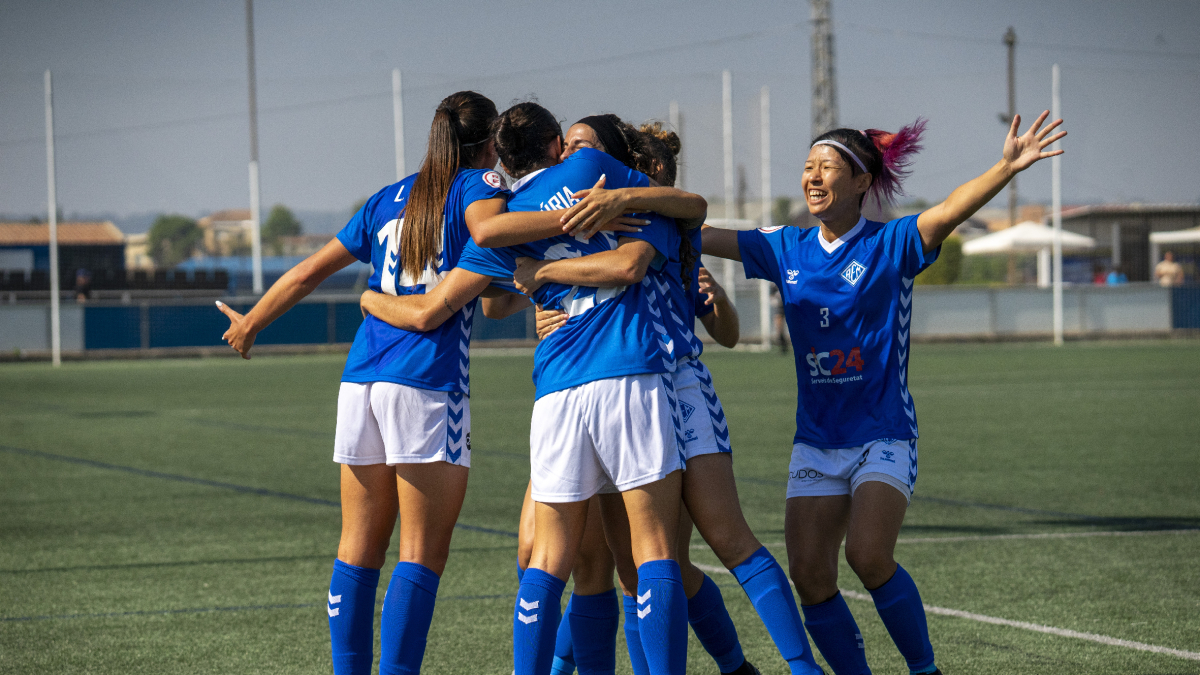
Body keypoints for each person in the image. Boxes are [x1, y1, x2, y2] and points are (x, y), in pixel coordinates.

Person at [702, 111, 1065, 675]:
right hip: (817, 440)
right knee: (810, 576)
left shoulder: (892, 243)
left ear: (861, 182)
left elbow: (949, 209)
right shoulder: (786, 247)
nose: (812, 177)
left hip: (883, 432)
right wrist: (625, 210)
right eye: (808, 166)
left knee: (868, 555)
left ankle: (925, 670)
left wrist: (1006, 167)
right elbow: (697, 234)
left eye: (827, 167)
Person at [360, 104, 708, 675]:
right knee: (653, 551)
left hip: (556, 391)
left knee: (546, 560)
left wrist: (371, 298)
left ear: (502, 160)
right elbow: (685, 208)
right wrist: (619, 201)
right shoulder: (592, 169)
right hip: (627, 369)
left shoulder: (507, 220)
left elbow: (462, 304)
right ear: (554, 145)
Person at [216, 91, 531, 675]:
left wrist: (252, 322)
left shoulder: (388, 198)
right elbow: (490, 237)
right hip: (426, 380)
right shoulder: (479, 186)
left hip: (360, 379)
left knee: (357, 550)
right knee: (420, 555)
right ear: (489, 142)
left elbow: (309, 272)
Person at [524, 121, 823, 675]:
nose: (572, 158)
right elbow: (509, 288)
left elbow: (722, 326)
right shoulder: (592, 223)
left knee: (715, 540)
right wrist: (544, 300)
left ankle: (793, 667)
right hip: (604, 387)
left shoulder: (653, 218)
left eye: (584, 148)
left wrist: (715, 298)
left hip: (671, 383)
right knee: (627, 566)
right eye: (567, 148)